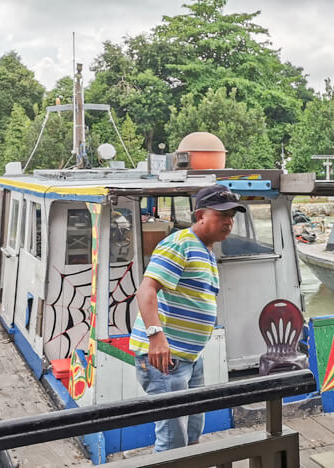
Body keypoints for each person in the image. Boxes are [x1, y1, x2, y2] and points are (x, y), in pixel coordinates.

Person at [128, 184, 245, 452]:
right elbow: (147, 289)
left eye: (232, 216)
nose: (229, 222)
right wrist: (156, 337)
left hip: (190, 358)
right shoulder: (179, 243)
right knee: (172, 440)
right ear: (201, 215)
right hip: (165, 358)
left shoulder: (205, 248)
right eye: (222, 215)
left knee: (192, 432)